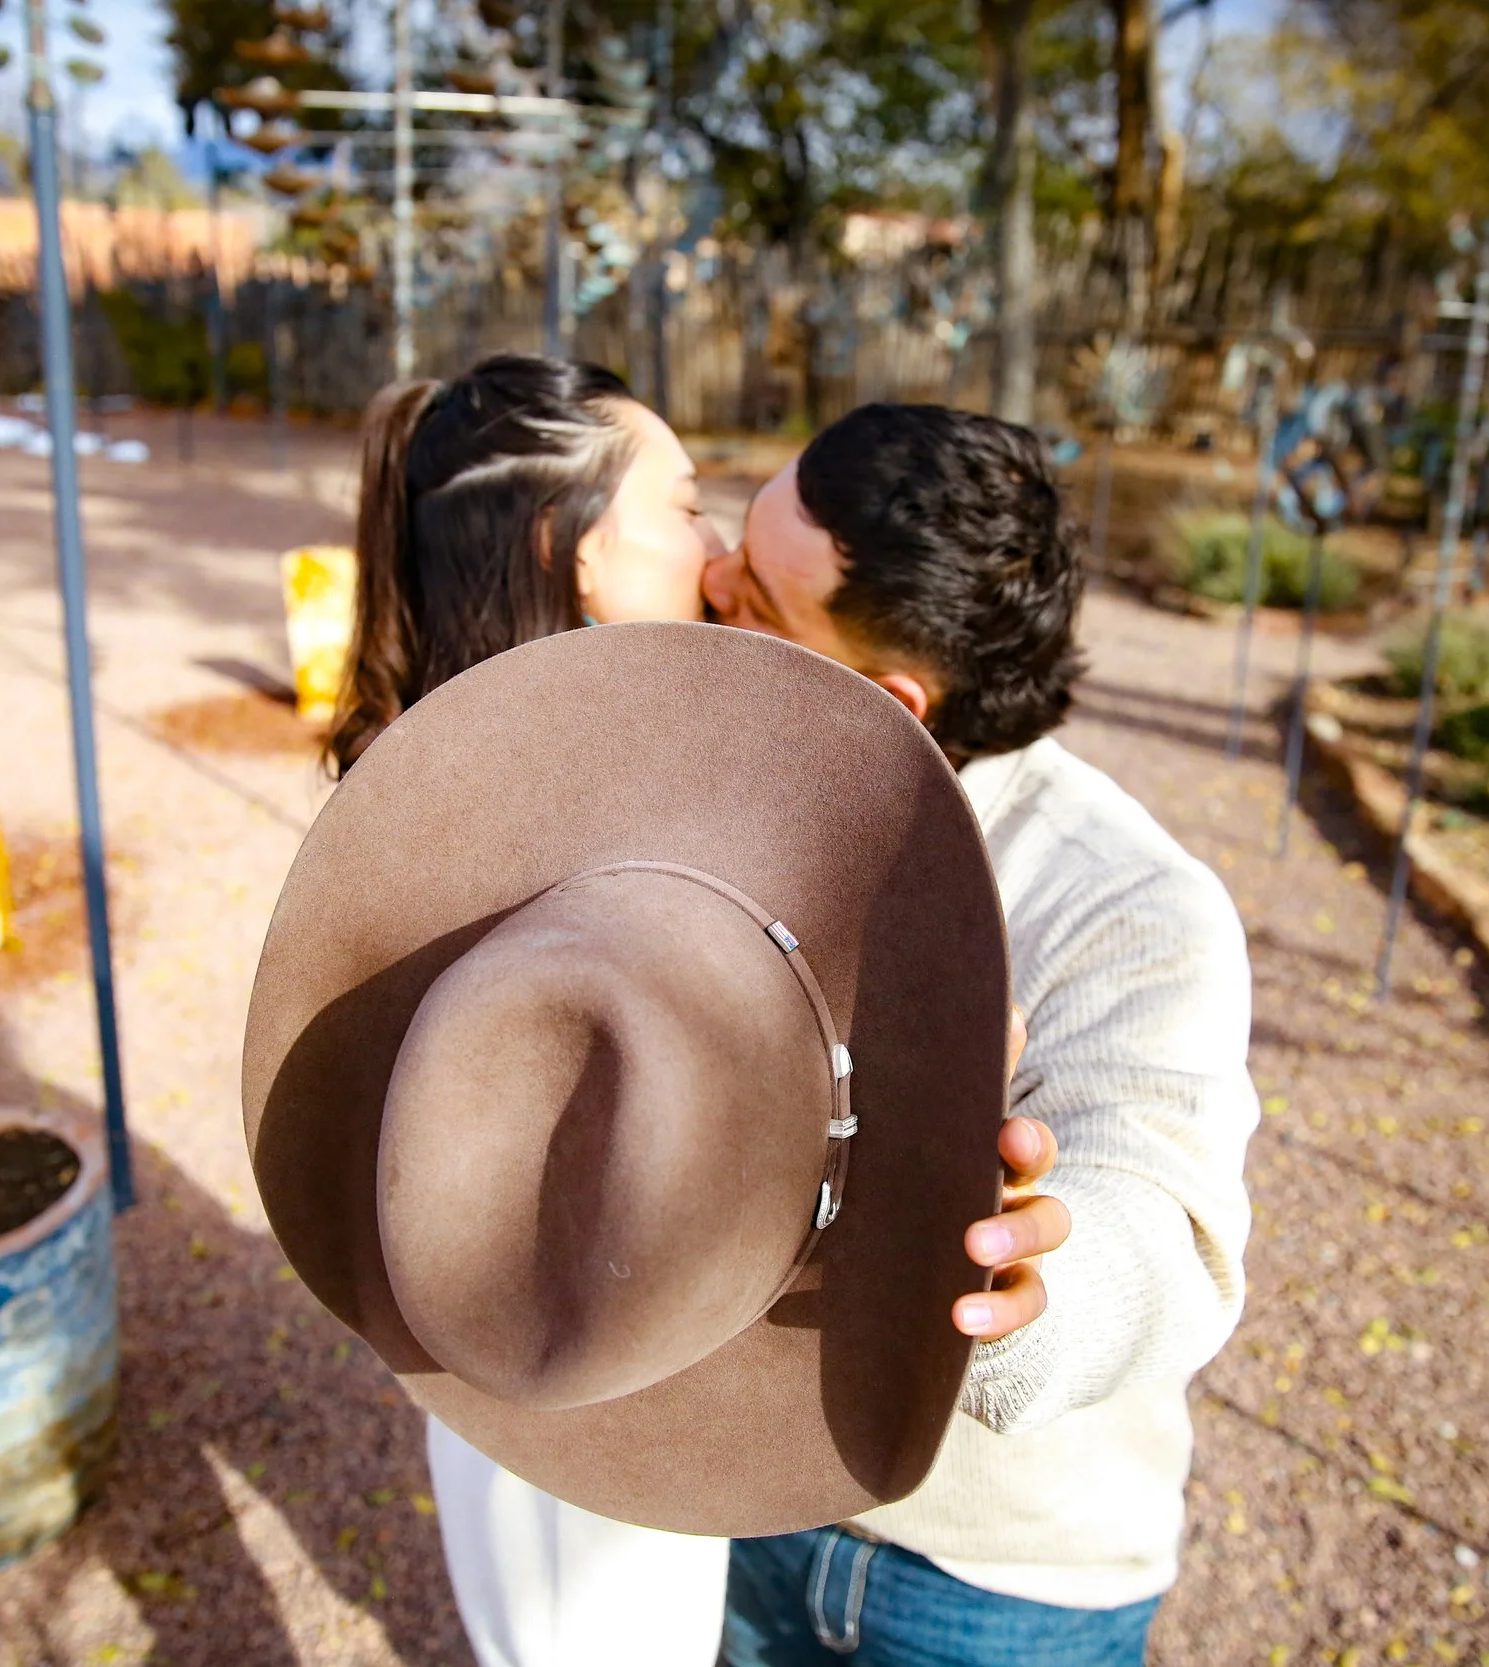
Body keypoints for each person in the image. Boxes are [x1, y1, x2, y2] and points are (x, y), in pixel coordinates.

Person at [328, 359, 1066, 1667]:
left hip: (572, 1346)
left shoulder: (466, 784)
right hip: (588, 1373)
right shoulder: (565, 838)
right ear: (582, 555)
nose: (718, 549)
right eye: (682, 508)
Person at [704, 404, 1259, 1666]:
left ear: (888, 698)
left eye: (751, 595)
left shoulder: (1128, 901)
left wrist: (1026, 1274)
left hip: (991, 1593)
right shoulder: (739, 779)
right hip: (748, 1511)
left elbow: (1159, 1215)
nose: (710, 585)